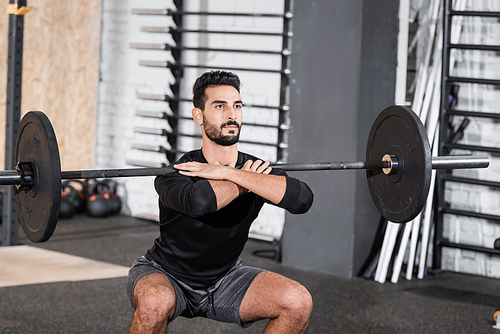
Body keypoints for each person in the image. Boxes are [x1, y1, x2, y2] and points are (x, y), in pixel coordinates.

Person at [127, 70, 314, 333]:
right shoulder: (178, 172)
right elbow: (199, 202)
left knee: (298, 302)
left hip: (225, 278)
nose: (231, 114)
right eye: (220, 106)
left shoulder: (251, 169)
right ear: (198, 116)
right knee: (155, 303)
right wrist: (247, 182)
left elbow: (302, 199)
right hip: (167, 275)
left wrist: (228, 172)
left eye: (237, 105)